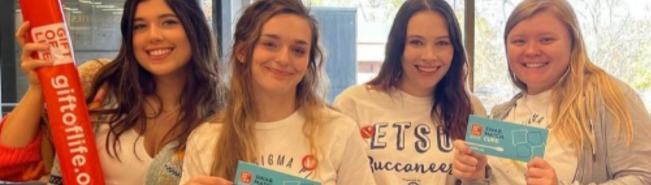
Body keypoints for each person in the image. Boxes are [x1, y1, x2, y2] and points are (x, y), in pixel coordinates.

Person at [0, 0, 224, 184]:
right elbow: (7, 162)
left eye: (168, 22)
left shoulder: (224, 113)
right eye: (139, 26)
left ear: (195, 29)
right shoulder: (96, 85)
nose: (153, 36)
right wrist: (39, 88)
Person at [452, 0, 651, 184]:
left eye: (546, 39)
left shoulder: (609, 97)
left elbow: (646, 178)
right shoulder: (501, 114)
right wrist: (477, 176)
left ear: (573, 43)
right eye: (519, 41)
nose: (532, 50)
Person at [179, 0, 375, 184]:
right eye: (270, 44)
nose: (283, 59)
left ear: (308, 63)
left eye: (298, 50)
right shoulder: (205, 139)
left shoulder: (339, 132)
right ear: (242, 52)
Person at [332, 0, 487, 184]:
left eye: (442, 43)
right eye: (416, 42)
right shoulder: (353, 104)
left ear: (454, 50)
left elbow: (480, 179)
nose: (429, 56)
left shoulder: (472, 108)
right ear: (398, 47)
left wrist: (477, 175)